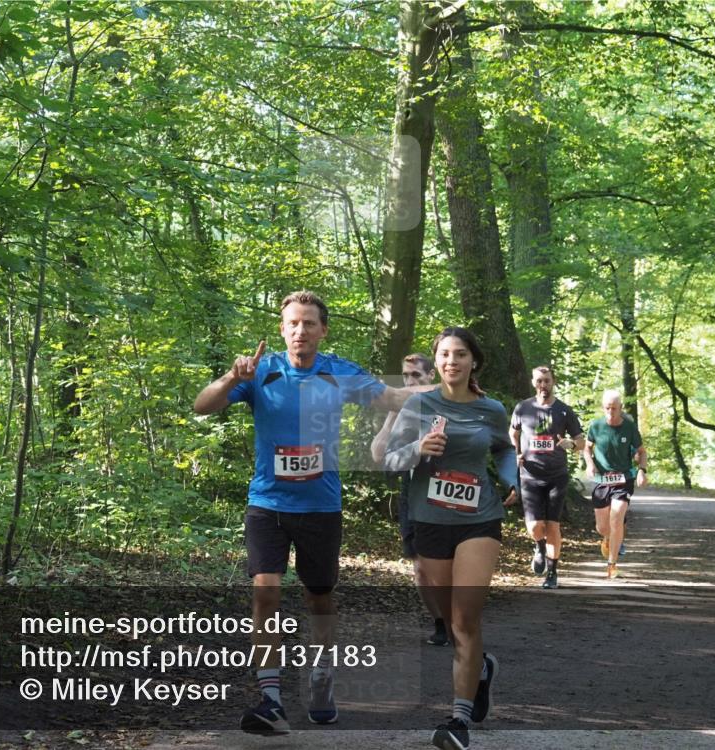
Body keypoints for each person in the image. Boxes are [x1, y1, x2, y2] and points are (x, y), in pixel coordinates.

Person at [193, 290, 418, 734]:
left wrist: (452, 390)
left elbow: (394, 398)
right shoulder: (261, 371)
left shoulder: (339, 372)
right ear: (283, 329)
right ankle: (271, 699)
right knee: (266, 593)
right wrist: (230, 376)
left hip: (320, 505)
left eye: (309, 323)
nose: (300, 331)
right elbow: (203, 405)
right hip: (267, 503)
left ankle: (321, 677)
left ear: (322, 330)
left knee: (319, 598)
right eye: (293, 323)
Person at [383, 327, 518, 750]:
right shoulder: (419, 405)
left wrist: (513, 479)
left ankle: (458, 720)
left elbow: (504, 449)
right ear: (436, 361)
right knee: (445, 614)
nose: (452, 361)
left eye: (460, 354)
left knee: (464, 619)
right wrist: (419, 448)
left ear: (473, 361)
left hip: (479, 518)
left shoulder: (492, 409)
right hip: (430, 519)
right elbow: (389, 460)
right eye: (444, 354)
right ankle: (480, 670)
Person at [370, 353, 448, 645]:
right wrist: (393, 409)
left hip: (446, 490)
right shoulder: (405, 409)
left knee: (445, 566)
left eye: (416, 375)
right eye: (405, 376)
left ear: (431, 376)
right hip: (413, 491)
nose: (409, 381)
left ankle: (458, 617)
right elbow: (378, 454)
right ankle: (441, 623)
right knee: (420, 567)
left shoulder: (443, 398)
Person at [509, 366, 585, 589]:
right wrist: (516, 453)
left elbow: (581, 441)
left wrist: (570, 444)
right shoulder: (523, 408)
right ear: (534, 383)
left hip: (557, 476)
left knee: (553, 526)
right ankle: (539, 547)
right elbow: (513, 432)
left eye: (547, 381)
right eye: (539, 381)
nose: (543, 385)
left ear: (554, 382)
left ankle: (552, 573)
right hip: (530, 475)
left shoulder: (563, 411)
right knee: (534, 527)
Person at [583, 389, 648, 579]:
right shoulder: (595, 426)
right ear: (603, 408)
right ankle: (609, 537)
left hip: (624, 479)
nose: (611, 412)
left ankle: (612, 563)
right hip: (601, 480)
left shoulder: (629, 427)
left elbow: (642, 451)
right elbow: (587, 448)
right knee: (603, 528)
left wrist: (642, 471)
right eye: (607, 408)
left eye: (614, 408)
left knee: (617, 517)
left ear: (620, 408)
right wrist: (590, 464)